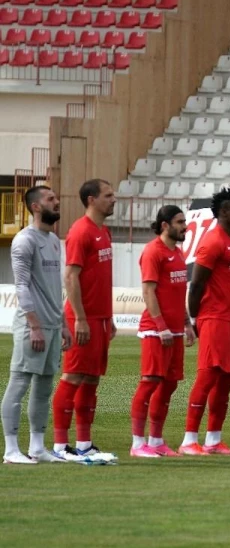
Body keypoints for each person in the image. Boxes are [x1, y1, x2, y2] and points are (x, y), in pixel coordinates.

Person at [3, 187, 72, 465]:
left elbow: (54, 287)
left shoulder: (54, 240)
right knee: (19, 383)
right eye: (50, 200)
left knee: (44, 387)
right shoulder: (24, 240)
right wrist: (34, 325)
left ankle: (37, 447)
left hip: (53, 325)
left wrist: (63, 323)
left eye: (56, 198)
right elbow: (21, 285)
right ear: (35, 207)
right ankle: (10, 450)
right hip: (33, 325)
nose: (57, 202)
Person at [53, 179, 116, 460]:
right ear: (91, 199)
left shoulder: (104, 231)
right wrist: (79, 318)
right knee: (72, 376)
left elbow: (101, 279)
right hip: (83, 317)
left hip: (100, 318)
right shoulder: (81, 231)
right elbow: (71, 276)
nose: (114, 199)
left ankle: (84, 444)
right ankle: (59, 446)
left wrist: (109, 317)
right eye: (108, 195)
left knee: (91, 380)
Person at [182, 187, 230, 456]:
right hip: (213, 319)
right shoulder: (212, 242)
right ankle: (188, 440)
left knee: (226, 382)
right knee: (207, 378)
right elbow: (196, 285)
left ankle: (213, 440)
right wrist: (195, 318)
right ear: (223, 212)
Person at [129, 206, 193, 458]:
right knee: (149, 384)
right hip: (157, 332)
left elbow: (179, 292)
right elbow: (148, 292)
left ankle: (156, 441)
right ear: (165, 225)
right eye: (179, 222)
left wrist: (186, 322)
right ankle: (137, 444)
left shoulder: (177, 253)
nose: (184, 226)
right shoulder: (153, 251)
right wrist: (161, 326)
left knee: (169, 385)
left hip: (175, 330)